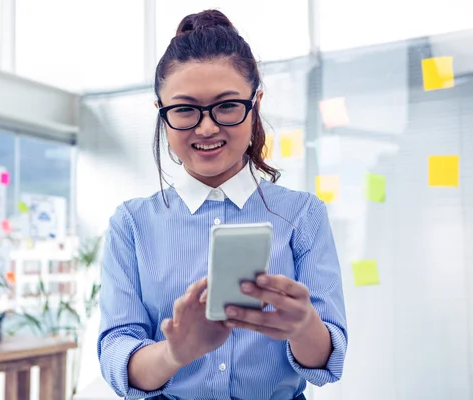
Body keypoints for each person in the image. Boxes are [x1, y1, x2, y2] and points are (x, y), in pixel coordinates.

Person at [97, 9, 347, 400]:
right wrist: (174, 353)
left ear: (255, 103)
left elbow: (327, 361)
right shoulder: (132, 223)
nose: (207, 127)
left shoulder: (303, 215)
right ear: (162, 114)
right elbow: (115, 352)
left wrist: (304, 327)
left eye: (227, 105)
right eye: (184, 109)